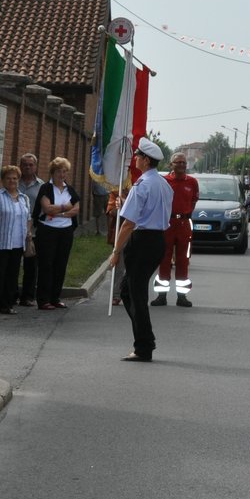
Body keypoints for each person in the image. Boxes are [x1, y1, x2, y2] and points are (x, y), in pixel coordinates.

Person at [110, 138, 172, 361]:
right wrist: (126, 202)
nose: (135, 159)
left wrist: (116, 252)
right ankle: (145, 338)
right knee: (128, 290)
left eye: (138, 156)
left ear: (145, 160)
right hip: (157, 240)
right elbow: (149, 210)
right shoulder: (163, 184)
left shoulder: (142, 184)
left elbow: (128, 223)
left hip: (143, 241)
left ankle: (144, 346)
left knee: (136, 295)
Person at [153, 152, 200, 307]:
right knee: (164, 259)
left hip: (184, 225)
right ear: (170, 165)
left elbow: (193, 202)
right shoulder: (164, 181)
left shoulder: (192, 182)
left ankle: (182, 297)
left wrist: (184, 215)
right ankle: (161, 296)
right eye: (177, 162)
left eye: (183, 163)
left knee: (183, 261)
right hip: (167, 224)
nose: (181, 165)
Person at [33, 157, 80, 310]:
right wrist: (66, 207)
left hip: (65, 231)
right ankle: (43, 299)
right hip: (47, 230)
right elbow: (47, 209)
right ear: (53, 172)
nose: (62, 174)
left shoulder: (70, 190)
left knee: (61, 264)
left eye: (65, 171)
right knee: (46, 264)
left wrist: (60, 211)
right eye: (59, 171)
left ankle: (55, 297)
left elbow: (76, 209)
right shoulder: (46, 188)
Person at [0, 163, 32, 317]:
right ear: (3, 180)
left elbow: (28, 218)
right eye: (8, 178)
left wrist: (28, 233)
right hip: (1, 242)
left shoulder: (24, 198)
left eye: (15, 178)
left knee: (12, 276)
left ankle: (7, 304)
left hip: (18, 243)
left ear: (18, 180)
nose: (12, 181)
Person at [16, 153, 42, 307]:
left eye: (31, 165)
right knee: (13, 264)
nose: (27, 167)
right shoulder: (14, 183)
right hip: (14, 231)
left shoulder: (41, 186)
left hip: (33, 232)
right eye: (25, 164)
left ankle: (28, 296)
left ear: (36, 166)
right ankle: (12, 294)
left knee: (31, 265)